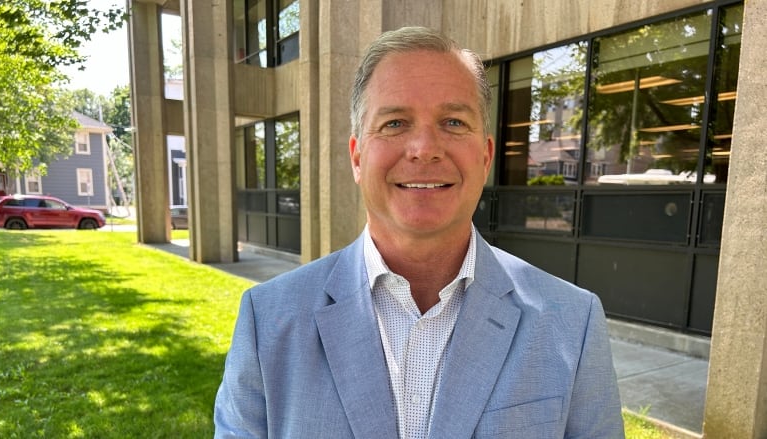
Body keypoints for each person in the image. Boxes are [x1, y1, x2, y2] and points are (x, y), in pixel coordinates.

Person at [214, 26, 624, 438]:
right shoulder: (267, 320)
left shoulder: (572, 322)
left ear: (485, 156)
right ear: (358, 157)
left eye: (452, 121)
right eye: (394, 123)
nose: (425, 147)